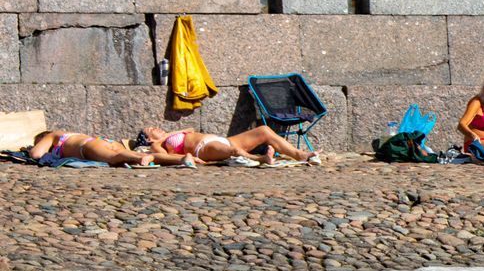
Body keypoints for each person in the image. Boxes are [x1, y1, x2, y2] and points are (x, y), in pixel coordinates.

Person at [140, 124, 320, 166]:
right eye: (151, 129)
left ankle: (299, 154)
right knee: (233, 150)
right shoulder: (156, 146)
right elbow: (163, 157)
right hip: (203, 149)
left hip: (220, 138)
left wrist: (166, 134)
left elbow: (190, 127)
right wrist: (187, 158)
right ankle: (261, 158)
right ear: (148, 140)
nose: (156, 127)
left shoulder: (170, 135)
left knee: (264, 130)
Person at [27, 129, 190, 167]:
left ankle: (143, 158)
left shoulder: (54, 135)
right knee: (125, 153)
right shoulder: (71, 134)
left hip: (87, 148)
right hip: (101, 140)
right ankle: (184, 159)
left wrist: (30, 149)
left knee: (122, 157)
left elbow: (36, 154)